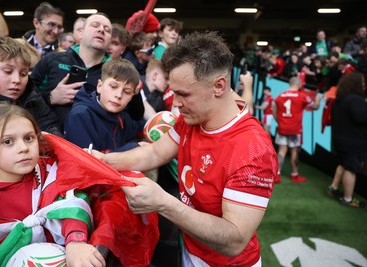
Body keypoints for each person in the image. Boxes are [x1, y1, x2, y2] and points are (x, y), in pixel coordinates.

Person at [91, 31, 278, 267]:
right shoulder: (192, 119)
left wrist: (164, 203)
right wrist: (104, 161)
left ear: (218, 86)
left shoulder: (253, 150)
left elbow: (234, 240)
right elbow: (155, 152)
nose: (175, 104)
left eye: (183, 94)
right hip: (190, 250)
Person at [0, 102, 105, 266]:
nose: (23, 148)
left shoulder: (50, 173)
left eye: (29, 138)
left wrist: (76, 242)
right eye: (8, 142)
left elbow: (71, 203)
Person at [0, 36, 62, 185]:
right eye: (8, 71)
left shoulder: (31, 94)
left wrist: (50, 140)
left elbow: (51, 124)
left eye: (23, 73)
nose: (17, 80)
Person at [30, 12, 112, 130]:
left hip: (93, 145)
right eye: (95, 25)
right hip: (49, 140)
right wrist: (50, 98)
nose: (101, 30)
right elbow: (24, 99)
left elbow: (131, 115)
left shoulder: (114, 72)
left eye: (107, 29)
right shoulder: (52, 59)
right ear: (81, 33)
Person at [64, 59, 145, 152]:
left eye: (127, 92)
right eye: (113, 87)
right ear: (99, 86)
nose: (118, 95)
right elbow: (88, 162)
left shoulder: (121, 117)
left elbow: (137, 128)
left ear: (132, 97)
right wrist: (134, 149)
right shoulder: (80, 116)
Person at [328, 71, 367, 208]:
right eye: (362, 83)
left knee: (343, 164)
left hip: (340, 140)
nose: (364, 85)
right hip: (353, 142)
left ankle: (333, 187)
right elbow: (361, 118)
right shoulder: (356, 99)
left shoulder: (340, 99)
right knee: (351, 168)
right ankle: (348, 199)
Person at [272, 76, 321, 182]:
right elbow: (315, 107)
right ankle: (294, 174)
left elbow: (274, 111)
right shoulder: (302, 96)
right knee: (294, 151)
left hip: (282, 128)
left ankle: (277, 174)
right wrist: (318, 101)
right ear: (299, 85)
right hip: (295, 129)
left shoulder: (280, 96)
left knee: (281, 151)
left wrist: (279, 122)